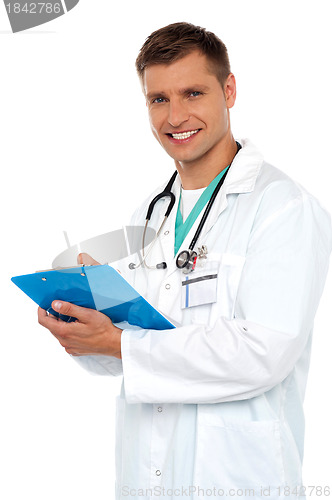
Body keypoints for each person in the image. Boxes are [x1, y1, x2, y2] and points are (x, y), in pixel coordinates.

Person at [38, 22, 332, 500]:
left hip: (238, 480)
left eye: (192, 93)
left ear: (229, 90)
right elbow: (123, 354)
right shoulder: (150, 215)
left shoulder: (282, 208)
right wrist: (85, 324)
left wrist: (119, 346)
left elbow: (264, 352)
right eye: (159, 99)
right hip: (146, 477)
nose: (175, 116)